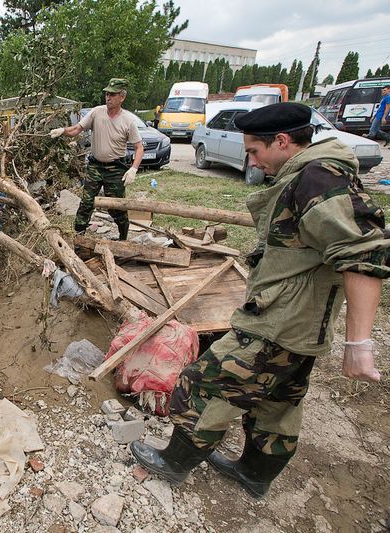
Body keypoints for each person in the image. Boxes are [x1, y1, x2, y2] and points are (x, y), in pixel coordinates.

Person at [130, 102, 389, 499]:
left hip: (280, 322)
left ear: (282, 141)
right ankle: (254, 473)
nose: (252, 160)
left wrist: (359, 344)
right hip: (303, 325)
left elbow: (363, 253)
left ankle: (175, 462)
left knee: (203, 383)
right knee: (278, 401)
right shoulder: (315, 173)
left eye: (254, 150)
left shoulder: (318, 178)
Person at [50, 78, 144, 240]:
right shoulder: (96, 112)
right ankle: (78, 239)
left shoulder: (128, 121)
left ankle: (123, 237)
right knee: (86, 204)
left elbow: (139, 148)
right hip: (95, 166)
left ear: (122, 97)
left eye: (112, 95)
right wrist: (62, 131)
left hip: (116, 168)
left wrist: (133, 169)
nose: (108, 98)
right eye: (107, 94)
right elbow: (77, 129)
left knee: (116, 207)